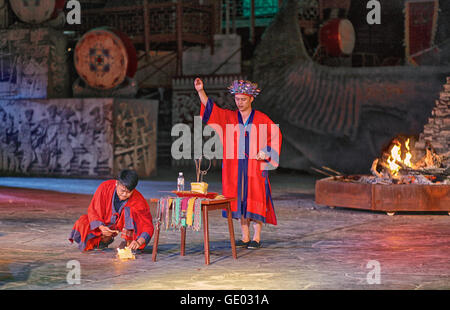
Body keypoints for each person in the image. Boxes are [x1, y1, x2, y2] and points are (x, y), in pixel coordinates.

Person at [194, 78, 282, 249]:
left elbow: (276, 136)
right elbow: (212, 110)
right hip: (234, 167)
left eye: (243, 99)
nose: (240, 103)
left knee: (256, 198)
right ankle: (245, 237)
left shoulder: (262, 119)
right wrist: (200, 91)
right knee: (240, 199)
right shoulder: (229, 117)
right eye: (237, 99)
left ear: (251, 99)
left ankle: (256, 237)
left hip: (255, 167)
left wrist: (266, 151)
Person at [69, 170, 154, 251]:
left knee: (131, 212)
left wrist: (139, 242)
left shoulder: (138, 199)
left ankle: (129, 243)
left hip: (123, 226)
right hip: (104, 224)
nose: (124, 194)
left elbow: (147, 225)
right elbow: (94, 210)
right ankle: (102, 242)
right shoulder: (105, 187)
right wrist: (101, 227)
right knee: (83, 222)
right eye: (122, 191)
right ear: (117, 183)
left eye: (128, 192)